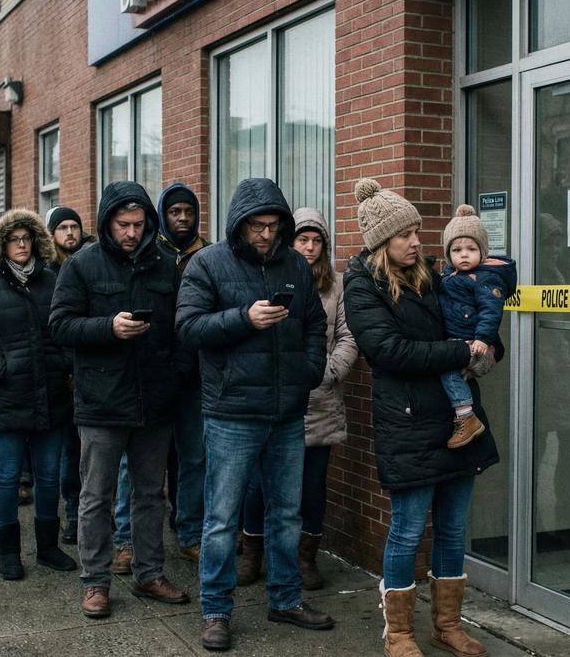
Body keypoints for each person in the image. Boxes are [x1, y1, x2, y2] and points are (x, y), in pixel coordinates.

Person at [343, 178, 498, 657]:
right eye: (404, 235)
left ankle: (448, 624)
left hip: (458, 421)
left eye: (416, 232)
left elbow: (473, 324)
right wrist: (456, 351)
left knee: (452, 529)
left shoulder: (435, 275)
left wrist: (485, 350)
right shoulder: (362, 285)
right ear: (381, 242)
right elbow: (389, 351)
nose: (416, 241)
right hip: (408, 423)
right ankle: (399, 633)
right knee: (408, 529)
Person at [176, 178, 333, 652]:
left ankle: (285, 600)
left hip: (287, 411)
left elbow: (315, 325)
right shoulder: (208, 263)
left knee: (286, 514)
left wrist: (309, 371)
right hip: (232, 412)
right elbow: (187, 328)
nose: (266, 234)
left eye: (273, 225)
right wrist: (243, 318)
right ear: (238, 224)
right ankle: (216, 612)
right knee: (221, 519)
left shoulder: (295, 266)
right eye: (256, 226)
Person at [50, 181, 190, 618]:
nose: (131, 232)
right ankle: (95, 582)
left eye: (138, 223)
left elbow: (184, 329)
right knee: (96, 496)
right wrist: (107, 328)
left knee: (150, 494)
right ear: (107, 222)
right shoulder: (82, 266)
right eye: (122, 224)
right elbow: (60, 325)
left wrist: (175, 378)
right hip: (102, 402)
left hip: (155, 401)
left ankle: (149, 574)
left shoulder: (168, 265)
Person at [239, 207, 356, 592]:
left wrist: (323, 373)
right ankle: (252, 554)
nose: (308, 247)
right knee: (259, 486)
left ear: (324, 245)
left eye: (315, 240)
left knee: (312, 485)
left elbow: (347, 337)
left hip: (320, 401)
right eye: (302, 240)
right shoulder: (273, 274)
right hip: (273, 401)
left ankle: (305, 558)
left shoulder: (337, 285)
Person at [0, 210, 77, 581]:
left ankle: (47, 548)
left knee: (47, 475)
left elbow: (65, 326)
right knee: (8, 476)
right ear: (1, 244)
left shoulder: (52, 279)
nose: (22, 245)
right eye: (14, 239)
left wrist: (62, 364)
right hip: (5, 397)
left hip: (50, 395)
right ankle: (8, 552)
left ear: (38, 241)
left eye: (27, 238)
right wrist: (0, 369)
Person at [112, 182, 209, 574]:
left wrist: (183, 367)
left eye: (188, 211)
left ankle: (190, 534)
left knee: (194, 458)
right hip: (146, 378)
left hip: (190, 377)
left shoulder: (208, 255)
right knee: (131, 466)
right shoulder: (149, 257)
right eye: (174, 212)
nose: (182, 218)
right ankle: (125, 539)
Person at [438, 204, 516, 448]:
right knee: (452, 369)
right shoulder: (450, 277)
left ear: (482, 252)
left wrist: (483, 338)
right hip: (460, 339)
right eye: (457, 249)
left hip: (472, 341)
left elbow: (491, 311)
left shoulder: (485, 278)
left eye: (471, 249)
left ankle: (465, 415)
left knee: (446, 367)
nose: (463, 254)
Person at [46, 205, 90, 545]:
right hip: (60, 377)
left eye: (74, 226)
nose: (70, 233)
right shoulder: (47, 273)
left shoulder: (91, 263)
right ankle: (72, 515)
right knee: (68, 452)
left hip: (90, 372)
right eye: (62, 228)